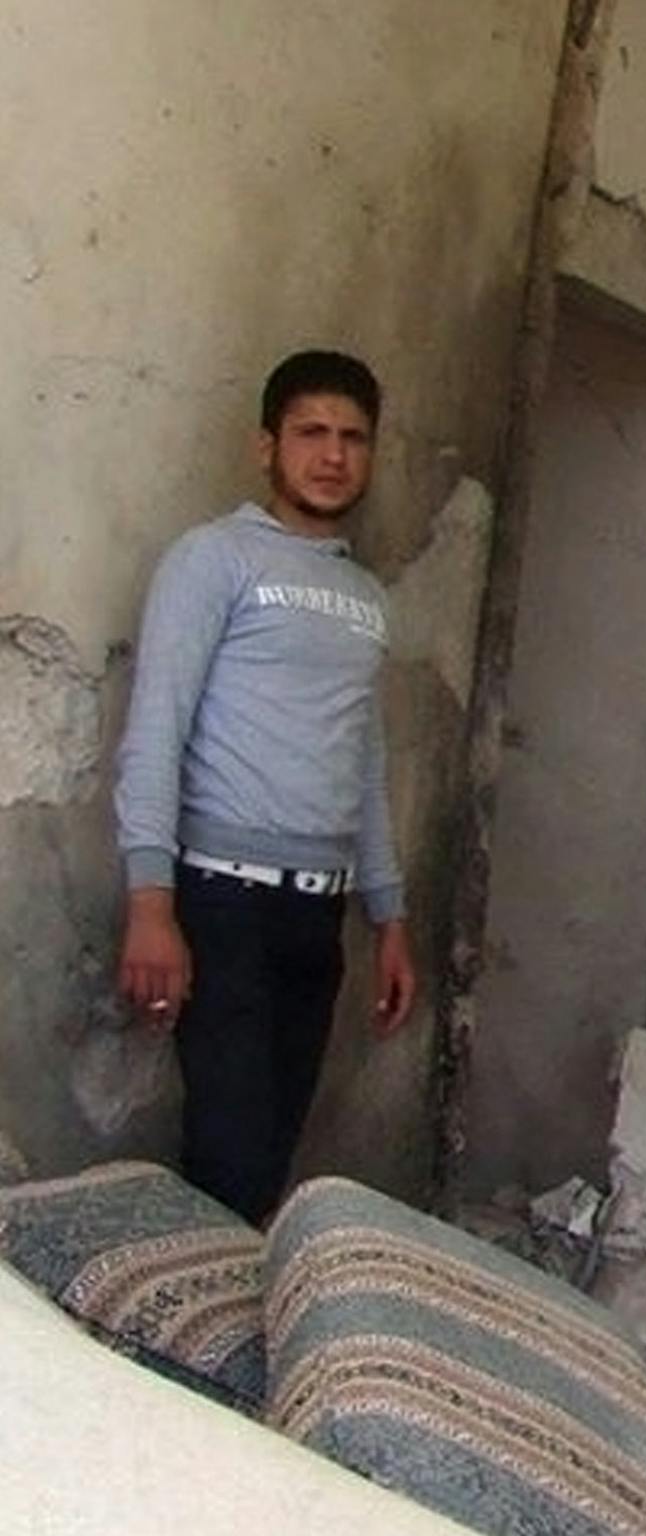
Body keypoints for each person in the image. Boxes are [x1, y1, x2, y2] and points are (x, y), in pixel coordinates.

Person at [114, 349, 416, 1223]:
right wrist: (150, 902)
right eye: (311, 432)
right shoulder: (214, 559)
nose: (333, 455)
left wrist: (388, 918)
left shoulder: (366, 597)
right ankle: (176, 1348)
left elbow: (362, 760)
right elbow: (157, 724)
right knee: (230, 1153)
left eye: (353, 438)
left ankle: (202, 1340)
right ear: (266, 447)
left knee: (269, 1154)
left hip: (315, 915)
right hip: (219, 900)